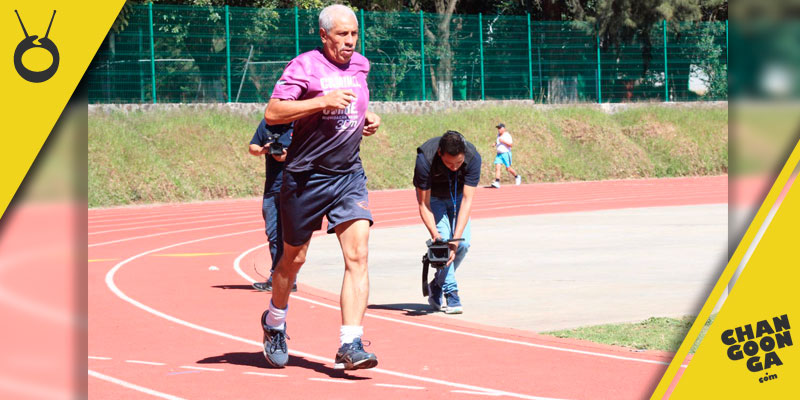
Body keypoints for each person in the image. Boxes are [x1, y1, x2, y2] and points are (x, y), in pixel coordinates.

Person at [259, 4, 381, 371]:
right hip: (304, 177)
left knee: (358, 256)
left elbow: (356, 104)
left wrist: (367, 117)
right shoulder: (304, 66)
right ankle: (275, 322)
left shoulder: (360, 65)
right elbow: (273, 113)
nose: (349, 41)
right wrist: (321, 101)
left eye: (354, 34)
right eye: (342, 34)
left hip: (348, 175)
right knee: (292, 261)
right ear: (324, 35)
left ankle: (351, 343)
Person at [413, 131, 481, 314]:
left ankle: (436, 285)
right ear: (440, 153)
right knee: (442, 246)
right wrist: (436, 236)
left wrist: (455, 239)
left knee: (463, 245)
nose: (454, 167)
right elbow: (423, 204)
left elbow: (467, 201)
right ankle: (452, 292)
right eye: (449, 163)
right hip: (434, 199)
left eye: (458, 163)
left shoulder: (473, 157)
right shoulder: (425, 159)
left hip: (458, 199)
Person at [247, 119, 297, 293]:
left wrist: (287, 155)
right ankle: (279, 277)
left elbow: (311, 152)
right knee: (273, 235)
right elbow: (252, 147)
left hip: (293, 188)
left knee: (289, 236)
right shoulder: (267, 124)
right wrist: (264, 150)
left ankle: (286, 278)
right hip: (271, 189)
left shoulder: (299, 124)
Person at [491, 123, 521, 188]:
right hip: (499, 154)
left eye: (500, 128)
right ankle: (497, 182)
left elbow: (511, 145)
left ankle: (517, 176)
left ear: (504, 129)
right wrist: (495, 143)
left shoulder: (507, 135)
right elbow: (498, 141)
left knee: (508, 168)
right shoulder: (498, 135)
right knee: (497, 167)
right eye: (498, 128)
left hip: (506, 154)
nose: (498, 130)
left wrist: (503, 141)